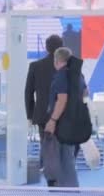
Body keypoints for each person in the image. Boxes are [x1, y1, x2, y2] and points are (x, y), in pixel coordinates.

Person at [25, 35, 63, 186]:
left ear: (46, 48)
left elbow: (28, 92)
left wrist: (30, 115)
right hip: (64, 115)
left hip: (42, 116)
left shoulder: (36, 66)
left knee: (47, 147)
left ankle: (52, 180)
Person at [42, 47, 79, 187]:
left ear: (56, 60)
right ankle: (70, 188)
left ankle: (64, 188)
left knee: (59, 158)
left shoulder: (61, 76)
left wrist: (52, 120)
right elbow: (85, 93)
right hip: (72, 122)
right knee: (67, 158)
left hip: (61, 123)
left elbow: (62, 99)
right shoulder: (76, 75)